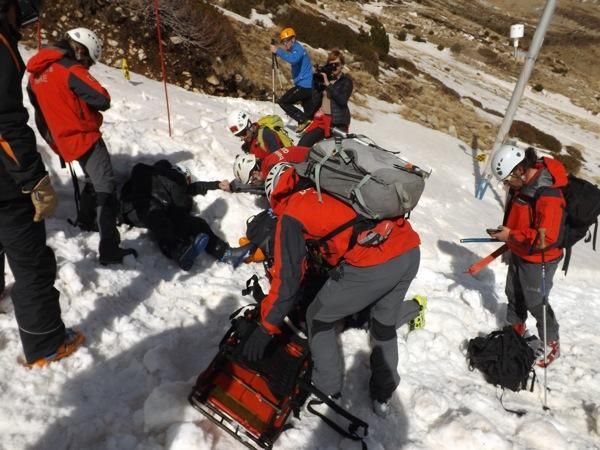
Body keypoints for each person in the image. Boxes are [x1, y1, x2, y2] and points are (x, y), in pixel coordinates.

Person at [241, 163, 423, 416]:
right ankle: (383, 394)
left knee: (317, 317)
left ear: (274, 195)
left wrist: (265, 328)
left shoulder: (291, 212)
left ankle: (327, 387)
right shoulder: (329, 184)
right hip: (408, 249)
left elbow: (287, 282)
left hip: (373, 263)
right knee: (383, 327)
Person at [0, 0, 84, 368]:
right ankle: (46, 343)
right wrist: (34, 179)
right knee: (31, 261)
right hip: (5, 182)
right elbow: (5, 123)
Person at [27, 27, 136, 265]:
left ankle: (86, 219)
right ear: (80, 48)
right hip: (84, 137)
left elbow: (40, 114)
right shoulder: (70, 68)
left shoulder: (35, 74)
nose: (86, 65)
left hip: (63, 140)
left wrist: (54, 142)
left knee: (91, 178)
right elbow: (102, 98)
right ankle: (110, 248)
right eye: (87, 59)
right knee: (105, 187)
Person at [489, 144, 567, 367]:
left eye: (507, 180)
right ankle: (515, 329)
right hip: (520, 249)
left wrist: (510, 235)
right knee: (513, 292)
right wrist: (507, 234)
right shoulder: (524, 185)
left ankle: (551, 343)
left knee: (535, 301)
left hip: (541, 258)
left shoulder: (548, 193)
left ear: (519, 170)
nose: (507, 186)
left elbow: (547, 238)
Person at [120, 160, 252, 271]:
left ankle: (222, 253)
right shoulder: (164, 177)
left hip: (147, 212)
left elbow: (195, 187)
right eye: (186, 180)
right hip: (138, 206)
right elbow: (184, 195)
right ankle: (178, 247)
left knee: (191, 224)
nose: (186, 185)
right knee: (161, 216)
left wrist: (216, 184)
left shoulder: (169, 184)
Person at [299, 49, 353, 148]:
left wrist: (328, 85)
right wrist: (316, 83)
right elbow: (315, 101)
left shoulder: (346, 81)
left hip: (337, 121)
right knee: (303, 144)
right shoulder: (326, 78)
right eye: (330, 64)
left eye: (336, 64)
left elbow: (342, 100)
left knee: (334, 152)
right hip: (322, 120)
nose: (334, 67)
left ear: (342, 65)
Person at [270, 27, 314, 133]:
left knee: (284, 102)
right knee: (309, 114)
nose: (285, 44)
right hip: (305, 85)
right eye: (283, 42)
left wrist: (278, 51)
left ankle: (302, 120)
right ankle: (308, 127)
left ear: (293, 39)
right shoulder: (296, 49)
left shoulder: (298, 49)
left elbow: (293, 60)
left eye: (286, 41)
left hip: (304, 86)